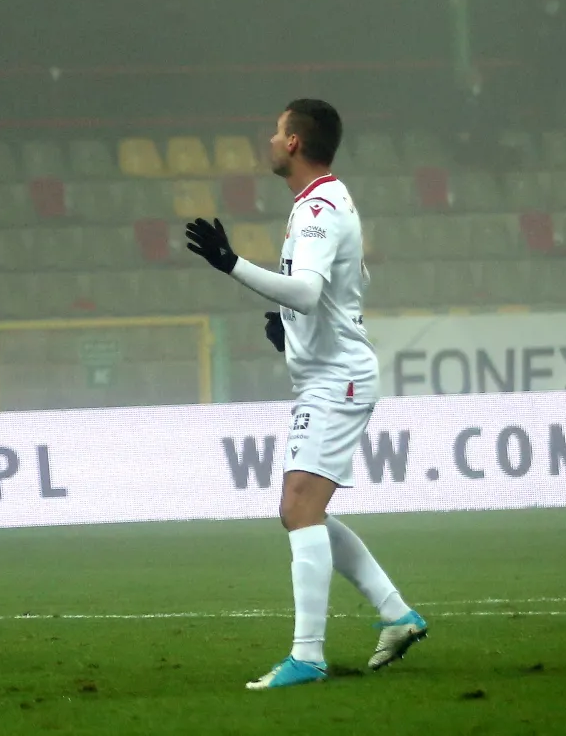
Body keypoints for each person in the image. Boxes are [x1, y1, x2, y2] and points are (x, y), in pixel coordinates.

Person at [185, 99, 427, 689]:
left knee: (298, 508)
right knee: (304, 509)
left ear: (294, 143)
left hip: (337, 379)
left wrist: (231, 262)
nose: (269, 138)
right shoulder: (317, 204)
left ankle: (309, 656)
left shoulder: (319, 207)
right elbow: (331, 299)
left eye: (276, 130)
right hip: (329, 372)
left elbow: (310, 294)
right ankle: (397, 614)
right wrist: (289, 337)